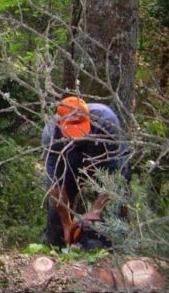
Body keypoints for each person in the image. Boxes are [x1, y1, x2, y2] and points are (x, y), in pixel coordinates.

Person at [41, 96, 131, 248]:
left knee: (114, 205)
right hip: (70, 157)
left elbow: (116, 176)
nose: (79, 135)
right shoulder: (51, 135)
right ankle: (56, 248)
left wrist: (95, 211)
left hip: (105, 158)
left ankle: (114, 251)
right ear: (60, 122)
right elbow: (56, 185)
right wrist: (66, 224)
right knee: (57, 217)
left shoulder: (107, 122)